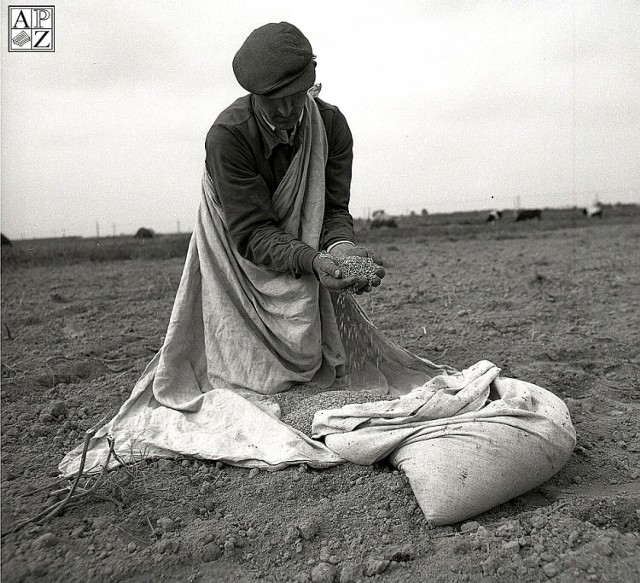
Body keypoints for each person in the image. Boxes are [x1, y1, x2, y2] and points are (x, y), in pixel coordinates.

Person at [205, 21, 385, 296]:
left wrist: (342, 250)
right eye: (274, 99)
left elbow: (332, 208)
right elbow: (253, 231)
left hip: (306, 260)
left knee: (315, 336)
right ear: (255, 93)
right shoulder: (229, 137)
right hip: (240, 265)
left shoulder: (330, 125)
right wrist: (313, 261)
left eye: (295, 95)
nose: (287, 109)